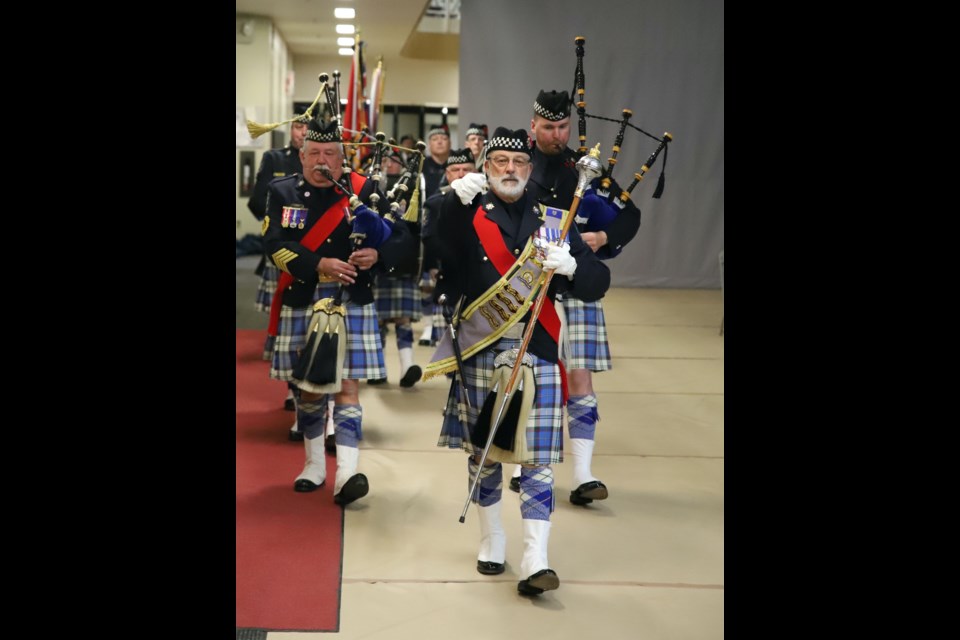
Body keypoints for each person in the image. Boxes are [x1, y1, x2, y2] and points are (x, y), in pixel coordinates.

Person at [423, 127, 611, 596]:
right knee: (484, 455)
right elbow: (433, 245)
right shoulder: (466, 212)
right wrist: (449, 199)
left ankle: (535, 556)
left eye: (519, 164)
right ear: (486, 167)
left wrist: (572, 265)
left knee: (538, 462)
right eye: (500, 162)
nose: (510, 170)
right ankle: (493, 538)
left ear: (530, 170)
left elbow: (596, 282)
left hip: (538, 351)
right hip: (481, 347)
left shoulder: (552, 219)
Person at [262, 116, 413, 506]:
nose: (322, 161)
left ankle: (346, 471)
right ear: (302, 154)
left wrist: (377, 255)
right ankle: (314, 465)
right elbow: (274, 244)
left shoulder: (366, 190)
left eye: (331, 153)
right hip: (304, 296)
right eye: (314, 153)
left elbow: (402, 239)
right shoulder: (281, 192)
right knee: (309, 390)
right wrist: (318, 264)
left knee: (348, 387)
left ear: (343, 157)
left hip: (351, 299)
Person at [506, 90, 642, 506]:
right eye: (548, 127)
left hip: (576, 283)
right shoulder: (517, 164)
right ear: (533, 125)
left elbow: (630, 216)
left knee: (580, 376)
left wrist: (603, 237)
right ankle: (518, 460)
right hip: (527, 286)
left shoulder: (582, 169)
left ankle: (583, 473)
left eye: (562, 127)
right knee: (520, 374)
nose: (556, 135)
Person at [368, 148, 425, 387]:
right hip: (376, 262)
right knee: (378, 321)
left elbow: (417, 225)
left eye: (393, 161)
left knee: (403, 320)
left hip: (403, 260)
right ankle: (376, 369)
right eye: (384, 161)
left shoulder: (412, 189)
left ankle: (406, 367)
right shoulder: (368, 187)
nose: (388, 166)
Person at [418, 125, 452, 346]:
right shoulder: (422, 169)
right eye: (435, 139)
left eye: (443, 138)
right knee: (427, 282)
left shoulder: (455, 166)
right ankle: (428, 326)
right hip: (428, 225)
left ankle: (443, 327)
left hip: (449, 225)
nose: (439, 142)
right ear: (429, 145)